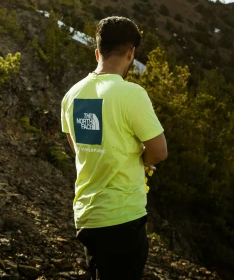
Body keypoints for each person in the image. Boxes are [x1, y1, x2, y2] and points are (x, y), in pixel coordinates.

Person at [61, 16, 168, 280]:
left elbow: (79, 149)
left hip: (87, 217)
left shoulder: (71, 95)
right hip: (122, 218)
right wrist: (143, 160)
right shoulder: (131, 94)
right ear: (131, 54)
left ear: (97, 51)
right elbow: (159, 150)